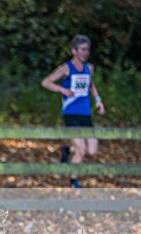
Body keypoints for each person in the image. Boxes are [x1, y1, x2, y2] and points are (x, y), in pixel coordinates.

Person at [41, 34, 105, 188]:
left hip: (86, 114)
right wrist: (62, 89)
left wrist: (98, 101)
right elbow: (46, 82)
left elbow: (91, 85)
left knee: (92, 151)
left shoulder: (89, 68)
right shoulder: (65, 68)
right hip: (70, 113)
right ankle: (74, 181)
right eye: (82, 50)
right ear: (74, 51)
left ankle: (67, 150)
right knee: (81, 150)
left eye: (87, 50)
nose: (85, 53)